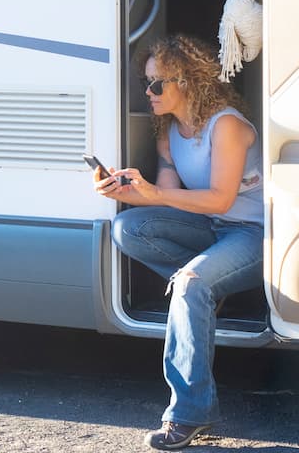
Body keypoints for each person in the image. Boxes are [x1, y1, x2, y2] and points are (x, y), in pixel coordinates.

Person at [93, 35, 263, 451]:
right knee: (128, 227)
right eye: (146, 83)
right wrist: (124, 192)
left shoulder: (226, 125)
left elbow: (221, 199)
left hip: (252, 234)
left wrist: (152, 192)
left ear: (186, 80)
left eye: (156, 84)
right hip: (208, 228)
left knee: (188, 284)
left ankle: (190, 414)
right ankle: (204, 289)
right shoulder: (168, 131)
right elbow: (168, 200)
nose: (148, 92)